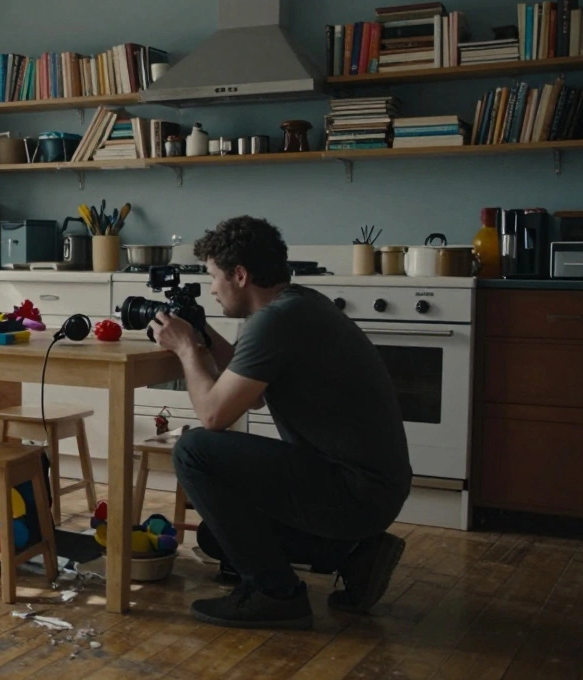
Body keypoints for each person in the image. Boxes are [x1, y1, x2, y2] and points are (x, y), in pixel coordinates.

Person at [147, 215, 411, 630]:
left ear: (240, 274)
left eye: (214, 277)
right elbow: (249, 396)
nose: (212, 288)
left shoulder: (275, 322)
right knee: (215, 538)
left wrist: (185, 349)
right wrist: (203, 334)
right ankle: (357, 554)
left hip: (355, 491)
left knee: (194, 450)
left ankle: (275, 595)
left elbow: (216, 414)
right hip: (369, 489)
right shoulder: (298, 304)